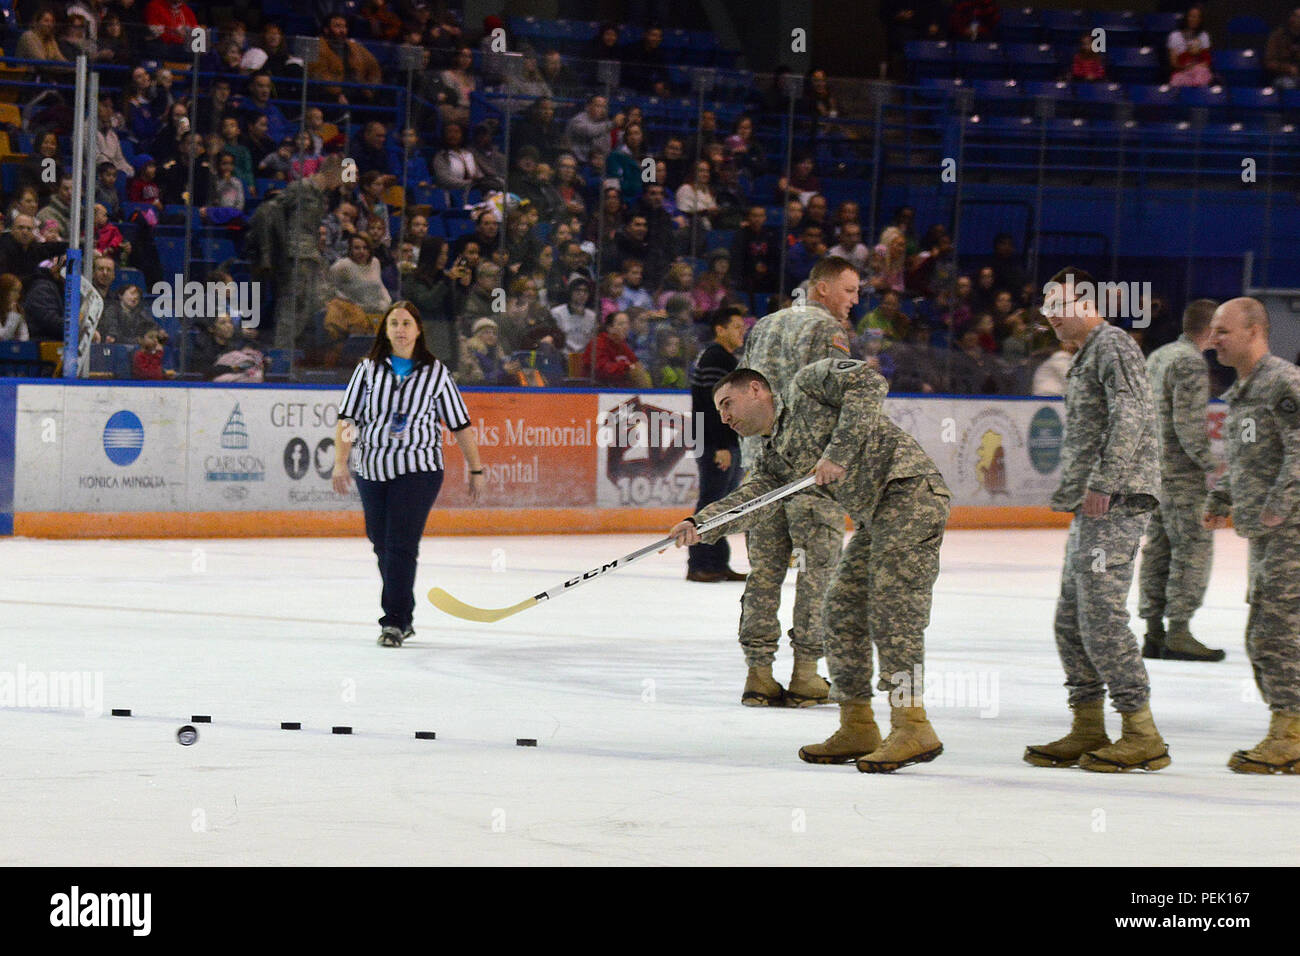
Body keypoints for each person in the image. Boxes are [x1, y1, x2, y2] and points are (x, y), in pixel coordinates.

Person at [670, 359, 950, 772]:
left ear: (756, 391)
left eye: (728, 403)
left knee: (895, 612)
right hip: (877, 516)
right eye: (719, 412)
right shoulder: (772, 456)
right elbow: (756, 498)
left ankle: (912, 725)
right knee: (838, 612)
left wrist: (837, 453)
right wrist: (701, 524)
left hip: (909, 493)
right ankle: (857, 723)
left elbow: (869, 383)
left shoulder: (808, 387)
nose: (725, 417)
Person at [1025, 267, 1168, 774]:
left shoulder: (1113, 345)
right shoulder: (1084, 354)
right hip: (1095, 502)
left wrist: (1105, 482)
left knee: (1102, 615)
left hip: (1118, 499)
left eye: (1058, 304)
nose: (1050, 316)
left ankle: (1141, 730)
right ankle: (1087, 723)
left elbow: (1131, 414)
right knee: (1071, 618)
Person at [735, 256, 854, 708]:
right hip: (810, 473)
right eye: (849, 290)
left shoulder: (763, 326)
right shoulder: (827, 330)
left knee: (764, 572)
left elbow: (742, 390)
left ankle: (758, 674)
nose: (854, 301)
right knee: (815, 572)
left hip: (763, 468)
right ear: (822, 289)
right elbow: (841, 396)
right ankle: (806, 673)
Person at [333, 301, 486, 647]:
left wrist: (476, 468)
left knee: (401, 544)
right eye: (393, 324)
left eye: (406, 324)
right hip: (371, 468)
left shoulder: (436, 373)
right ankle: (405, 610)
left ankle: (394, 621)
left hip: (418, 469)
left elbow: (460, 424)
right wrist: (341, 462)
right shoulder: (368, 370)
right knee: (381, 542)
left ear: (418, 330)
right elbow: (347, 419)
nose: (400, 330)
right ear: (384, 331)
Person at [1203, 298, 1300, 774]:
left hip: (1291, 530)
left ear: (1255, 331)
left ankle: (1291, 735)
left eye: (1222, 330)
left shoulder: (1283, 382)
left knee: (1277, 630)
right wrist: (1222, 497)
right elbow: (1248, 458)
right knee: (1268, 627)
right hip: (1270, 531)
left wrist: (1278, 510)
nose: (1213, 338)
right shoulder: (1245, 389)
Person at [1136, 299, 1226, 662]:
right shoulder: (1190, 362)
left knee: (1158, 549)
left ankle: (1153, 631)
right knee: (1192, 549)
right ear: (1210, 328)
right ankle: (1179, 631)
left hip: (1155, 470)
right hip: (1181, 474)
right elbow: (1187, 424)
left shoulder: (1159, 356)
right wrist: (1211, 464)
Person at [686, 308, 748, 582]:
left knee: (721, 503)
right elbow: (714, 408)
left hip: (716, 440)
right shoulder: (716, 358)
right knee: (712, 502)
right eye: (735, 326)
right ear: (720, 329)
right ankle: (700, 563)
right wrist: (720, 444)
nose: (741, 332)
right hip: (715, 442)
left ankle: (716, 561)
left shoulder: (721, 357)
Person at [1264, 7, 1300, 89]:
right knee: (1287, 84)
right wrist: (1288, 69)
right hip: (1283, 76)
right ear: (1292, 19)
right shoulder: (1277, 36)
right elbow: (1269, 62)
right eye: (1298, 17)